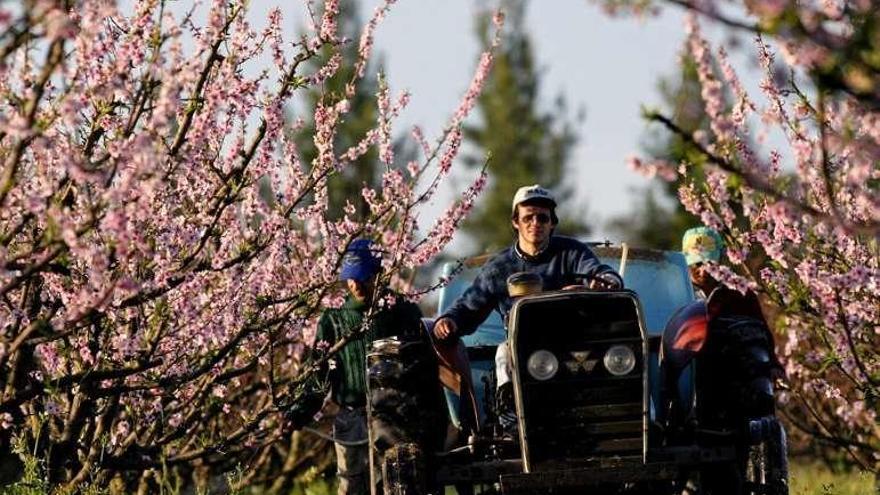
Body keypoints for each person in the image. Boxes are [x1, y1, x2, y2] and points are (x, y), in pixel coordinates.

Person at [286, 239, 423, 495]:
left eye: (363, 277)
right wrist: (300, 411)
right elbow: (319, 373)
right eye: (351, 279)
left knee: (394, 484)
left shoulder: (401, 311)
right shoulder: (334, 319)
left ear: (378, 275)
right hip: (350, 417)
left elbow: (420, 364)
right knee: (350, 485)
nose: (356, 285)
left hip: (394, 417)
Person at [433, 184, 623, 341]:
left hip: (573, 342)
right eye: (528, 217)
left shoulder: (572, 252)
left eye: (542, 217)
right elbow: (468, 307)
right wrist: (449, 320)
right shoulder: (498, 268)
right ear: (516, 222)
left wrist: (606, 280)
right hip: (521, 348)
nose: (536, 223)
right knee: (503, 359)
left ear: (552, 223)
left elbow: (596, 271)